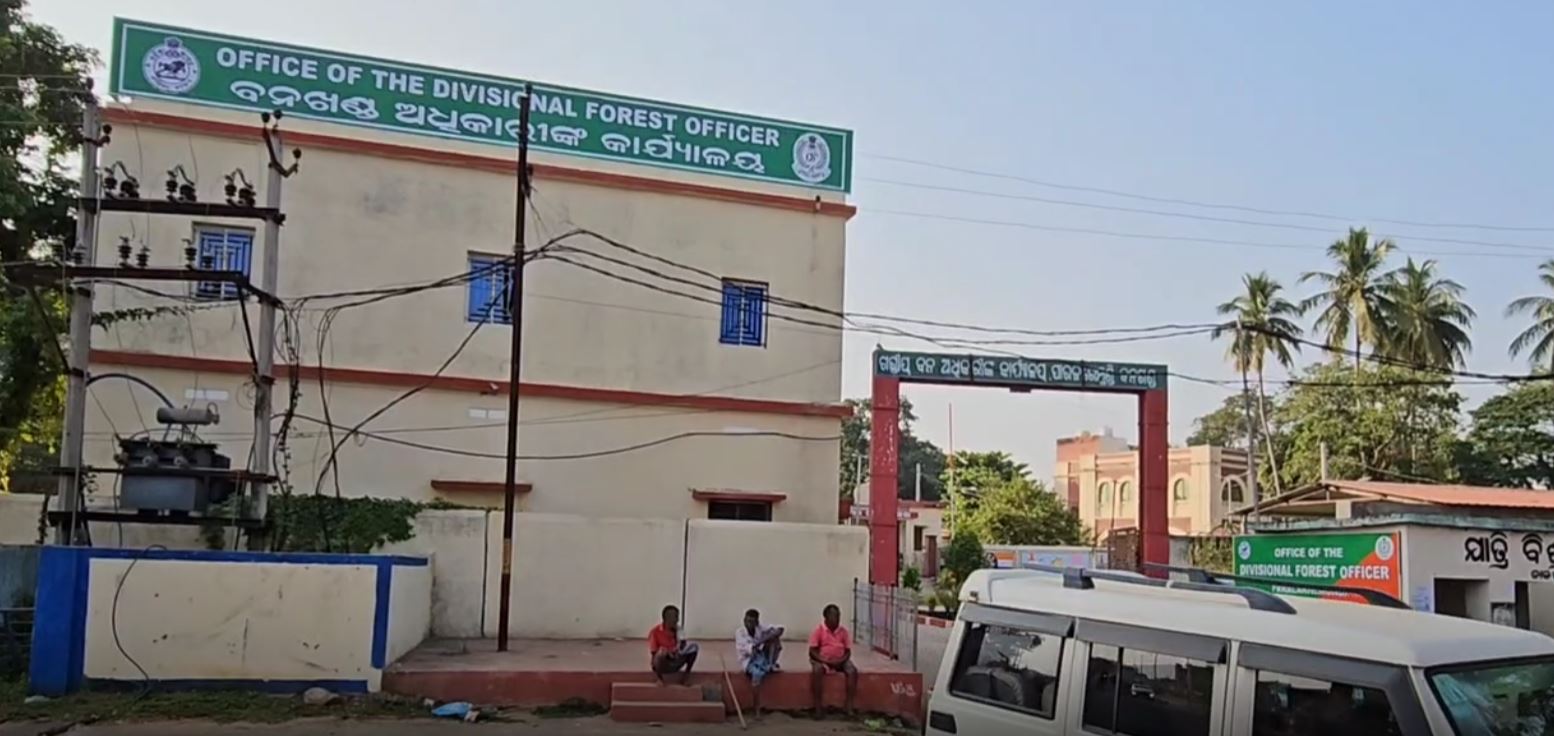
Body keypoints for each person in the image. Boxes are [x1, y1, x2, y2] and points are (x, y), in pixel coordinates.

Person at [808, 603, 858, 717]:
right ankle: (818, 707)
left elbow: (848, 651)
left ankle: (849, 707)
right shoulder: (819, 630)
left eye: (838, 616)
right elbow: (812, 651)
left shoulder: (843, 631)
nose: (836, 619)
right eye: (833, 616)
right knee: (817, 670)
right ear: (826, 617)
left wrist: (841, 660)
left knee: (852, 671)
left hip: (840, 660)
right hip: (823, 660)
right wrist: (825, 661)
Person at [735, 608, 784, 715]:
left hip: (762, 656)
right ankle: (756, 708)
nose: (748, 624)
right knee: (756, 675)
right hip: (749, 661)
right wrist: (759, 643)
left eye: (751, 622)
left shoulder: (760, 628)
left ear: (757, 622)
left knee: (775, 640)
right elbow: (750, 649)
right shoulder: (740, 633)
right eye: (746, 621)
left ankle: (770, 664)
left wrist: (763, 639)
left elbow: (780, 629)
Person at [648, 604, 698, 685]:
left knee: (694, 647)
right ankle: (660, 679)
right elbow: (654, 653)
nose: (677, 620)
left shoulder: (678, 630)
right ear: (666, 619)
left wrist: (679, 638)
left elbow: (683, 647)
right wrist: (667, 653)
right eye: (675, 617)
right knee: (661, 652)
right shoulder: (655, 632)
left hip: (676, 659)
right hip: (663, 662)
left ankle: (686, 676)